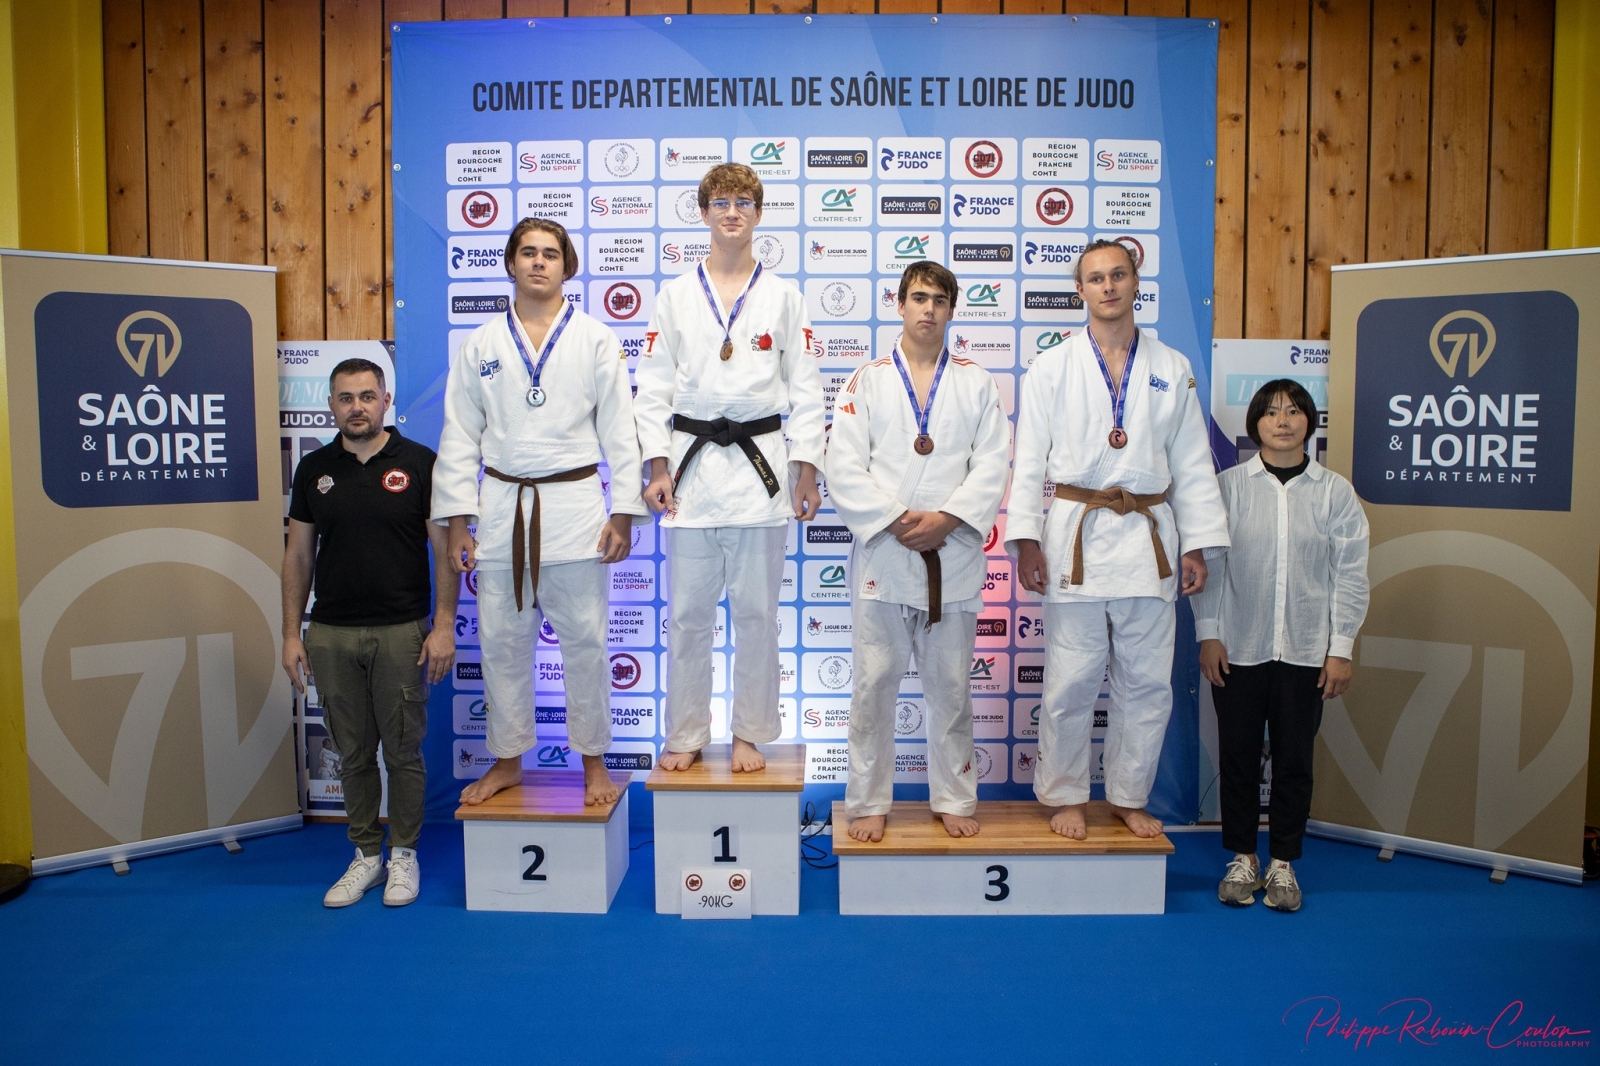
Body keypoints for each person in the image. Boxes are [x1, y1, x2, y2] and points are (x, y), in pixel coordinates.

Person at [1008, 239, 1230, 840]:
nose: (1108, 286)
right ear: (1080, 290)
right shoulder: (1052, 366)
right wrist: (1026, 539)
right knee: (1071, 679)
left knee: (1147, 682)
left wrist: (1195, 543)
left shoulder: (1172, 367)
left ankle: (1130, 795)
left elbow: (1192, 462)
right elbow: (1028, 461)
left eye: (1118, 275)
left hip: (1147, 539)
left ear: (1136, 282)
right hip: (1075, 536)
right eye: (1095, 278)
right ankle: (1065, 794)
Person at [433, 217, 648, 808]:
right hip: (504, 506)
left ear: (566, 267)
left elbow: (620, 431)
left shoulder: (596, 339)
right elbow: (459, 436)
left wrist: (624, 512)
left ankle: (594, 762)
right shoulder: (480, 344)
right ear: (510, 263)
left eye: (550, 254)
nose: (537, 262)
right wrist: (458, 521)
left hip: (576, 508)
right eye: (527, 252)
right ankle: (508, 761)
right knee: (502, 643)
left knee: (587, 643)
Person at [635, 162, 826, 773]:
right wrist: (656, 467)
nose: (733, 212)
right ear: (704, 213)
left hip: (759, 472)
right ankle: (687, 730)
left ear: (759, 214)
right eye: (721, 202)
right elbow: (652, 390)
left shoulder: (784, 296)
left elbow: (807, 390)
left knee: (757, 617)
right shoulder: (674, 295)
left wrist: (806, 470)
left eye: (744, 201)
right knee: (687, 618)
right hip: (691, 474)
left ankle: (750, 731)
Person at [825, 261, 1011, 841]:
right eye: (919, 297)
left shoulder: (977, 383)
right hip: (886, 554)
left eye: (939, 300)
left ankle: (954, 796)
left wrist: (948, 519)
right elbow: (843, 465)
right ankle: (867, 800)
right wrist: (896, 519)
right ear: (900, 304)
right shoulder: (867, 380)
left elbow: (992, 464)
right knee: (872, 689)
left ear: (952, 309)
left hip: (951, 554)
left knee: (952, 690)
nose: (928, 309)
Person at [283, 358, 457, 908]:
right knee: (352, 753)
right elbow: (298, 555)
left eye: (366, 396)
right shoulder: (313, 469)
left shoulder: (420, 463)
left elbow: (445, 552)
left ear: (386, 400)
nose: (356, 407)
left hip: (402, 631)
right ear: (331, 406)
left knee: (403, 753)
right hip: (331, 634)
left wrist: (444, 626)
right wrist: (291, 633)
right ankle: (365, 855)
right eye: (345, 398)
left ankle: (403, 854)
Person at [1194, 379, 1369, 912]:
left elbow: (1351, 574)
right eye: (1271, 412)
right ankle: (1243, 858)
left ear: (1309, 421)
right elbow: (1210, 567)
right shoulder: (1227, 488)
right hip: (1239, 646)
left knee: (1295, 762)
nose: (1283, 421)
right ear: (1255, 424)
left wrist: (1341, 647)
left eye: (1293, 411)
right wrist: (1209, 633)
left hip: (1306, 650)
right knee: (1238, 757)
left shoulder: (1335, 492)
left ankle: (1284, 863)